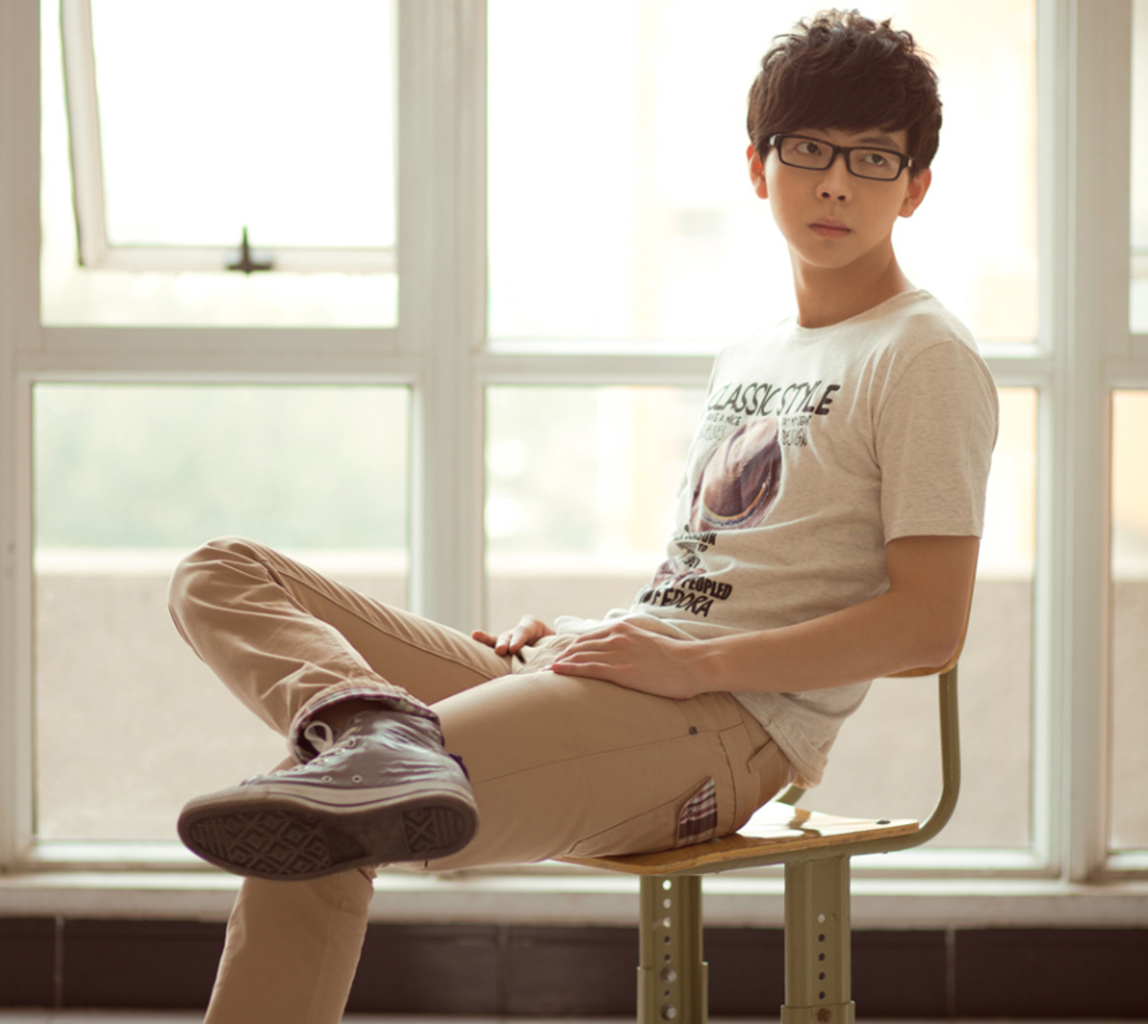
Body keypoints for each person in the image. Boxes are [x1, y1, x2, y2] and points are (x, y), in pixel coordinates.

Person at [168, 10, 998, 1023]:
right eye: (810, 150)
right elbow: (713, 575)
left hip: (727, 725)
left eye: (871, 159)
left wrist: (694, 667)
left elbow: (928, 626)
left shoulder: (922, 353)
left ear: (914, 186)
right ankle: (369, 727)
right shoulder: (751, 354)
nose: (836, 184)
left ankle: (372, 754)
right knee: (221, 572)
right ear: (757, 166)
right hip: (621, 674)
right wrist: (573, 637)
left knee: (319, 810)